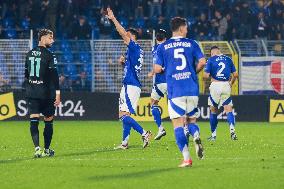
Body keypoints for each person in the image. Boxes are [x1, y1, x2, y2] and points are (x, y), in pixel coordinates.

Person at [154, 17, 206, 167]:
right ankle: (195, 134)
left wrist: (166, 69)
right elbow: (202, 61)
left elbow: (157, 69)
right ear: (182, 29)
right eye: (186, 28)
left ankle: (186, 159)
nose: (187, 30)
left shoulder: (163, 47)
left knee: (177, 123)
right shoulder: (192, 43)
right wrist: (193, 72)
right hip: (191, 87)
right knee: (191, 121)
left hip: (175, 89)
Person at [106, 8, 151, 150]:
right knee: (125, 115)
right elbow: (131, 66)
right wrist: (123, 63)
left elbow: (122, 33)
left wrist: (113, 19)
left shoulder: (134, 46)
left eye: (128, 35)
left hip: (130, 85)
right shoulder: (136, 50)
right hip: (132, 84)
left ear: (132, 37)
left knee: (122, 116)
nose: (125, 37)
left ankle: (144, 133)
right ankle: (125, 143)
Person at [24, 29, 60, 158]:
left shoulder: (28, 54)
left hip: (32, 93)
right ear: (43, 38)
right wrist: (58, 93)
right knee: (48, 121)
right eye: (50, 38)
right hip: (46, 93)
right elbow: (54, 76)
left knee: (34, 120)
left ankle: (37, 149)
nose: (53, 40)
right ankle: (46, 149)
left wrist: (32, 85)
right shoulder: (49, 55)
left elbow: (26, 75)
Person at [204, 46, 238, 141]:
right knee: (228, 109)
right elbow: (235, 75)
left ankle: (213, 135)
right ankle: (232, 130)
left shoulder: (211, 60)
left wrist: (209, 73)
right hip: (226, 85)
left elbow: (206, 76)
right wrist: (231, 83)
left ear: (212, 53)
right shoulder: (228, 59)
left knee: (213, 110)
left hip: (215, 85)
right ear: (219, 51)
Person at [148, 29, 167, 140]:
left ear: (156, 38)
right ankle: (185, 128)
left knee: (153, 103)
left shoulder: (154, 49)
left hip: (159, 82)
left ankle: (160, 128)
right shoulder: (168, 47)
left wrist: (154, 71)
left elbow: (157, 65)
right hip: (169, 81)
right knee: (176, 106)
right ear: (166, 38)